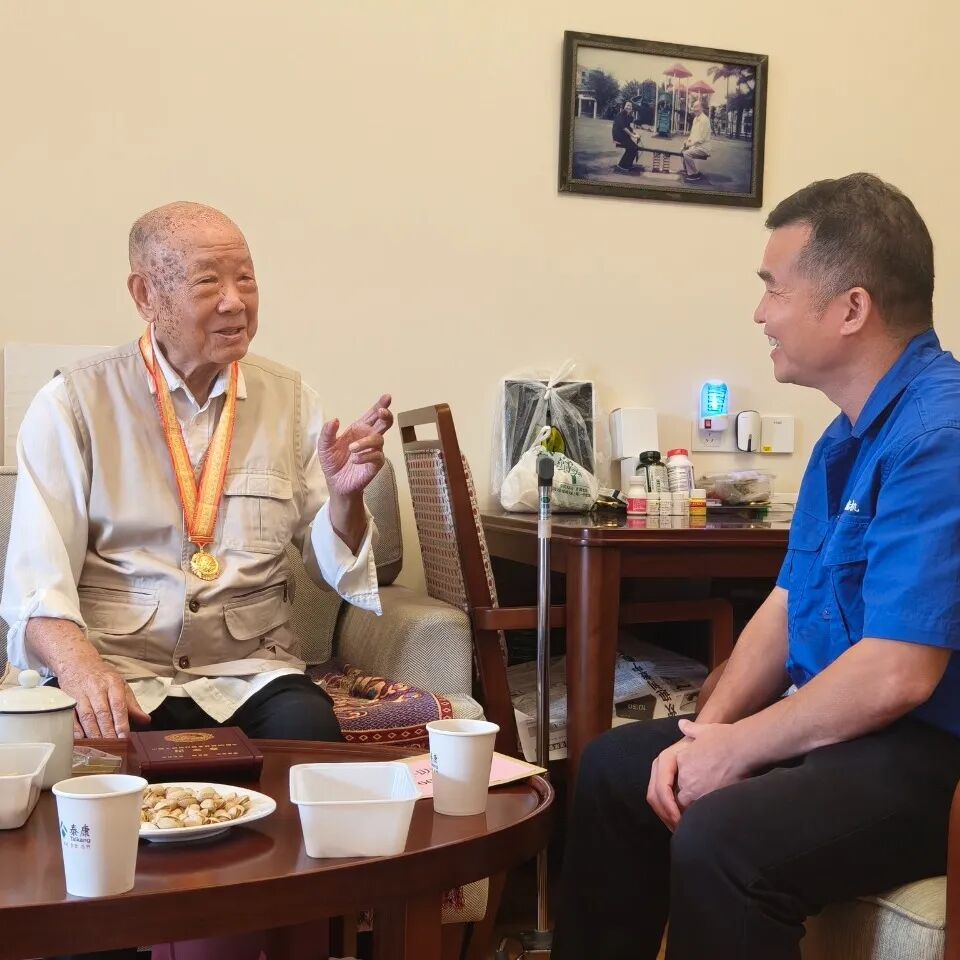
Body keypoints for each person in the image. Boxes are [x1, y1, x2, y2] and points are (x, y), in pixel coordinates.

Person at [552, 172, 960, 960]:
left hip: (931, 750)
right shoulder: (846, 435)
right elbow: (786, 603)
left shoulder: (939, 437)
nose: (760, 313)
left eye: (774, 288)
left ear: (851, 308)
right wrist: (706, 737)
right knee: (614, 769)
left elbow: (898, 674)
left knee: (722, 840)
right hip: (856, 730)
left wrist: (741, 750)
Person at [1, 202, 392, 958]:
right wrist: (81, 672)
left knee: (311, 732)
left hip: (248, 668)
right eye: (209, 281)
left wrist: (346, 500)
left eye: (247, 279)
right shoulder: (73, 403)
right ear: (145, 294)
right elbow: (35, 585)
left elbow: (330, 566)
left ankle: (288, 939)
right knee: (80, 777)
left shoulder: (292, 401)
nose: (236, 302)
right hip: (119, 668)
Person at [681, 98, 711, 180]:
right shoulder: (695, 119)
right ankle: (687, 170)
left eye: (697, 107)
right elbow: (692, 135)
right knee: (683, 149)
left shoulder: (704, 120)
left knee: (687, 153)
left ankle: (694, 174)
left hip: (703, 148)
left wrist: (690, 144)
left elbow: (702, 139)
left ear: (702, 108)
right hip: (696, 146)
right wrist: (687, 141)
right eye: (694, 107)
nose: (695, 109)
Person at [611, 100, 640, 173]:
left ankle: (628, 164)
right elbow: (623, 127)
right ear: (624, 106)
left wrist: (635, 133)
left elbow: (628, 127)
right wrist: (633, 135)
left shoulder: (628, 116)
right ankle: (622, 166)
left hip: (624, 136)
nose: (629, 107)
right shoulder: (620, 115)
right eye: (627, 105)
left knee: (635, 147)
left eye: (630, 106)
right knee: (632, 147)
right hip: (619, 136)